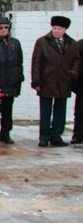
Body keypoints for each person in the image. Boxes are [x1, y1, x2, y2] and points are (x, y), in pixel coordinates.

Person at [31, 16, 80, 147]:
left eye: (59, 28)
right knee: (45, 112)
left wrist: (73, 72)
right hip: (47, 81)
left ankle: (56, 136)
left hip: (64, 81)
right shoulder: (42, 42)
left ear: (65, 29)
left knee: (60, 111)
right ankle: (44, 136)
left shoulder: (72, 43)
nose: (56, 31)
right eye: (54, 28)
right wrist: (36, 81)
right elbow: (36, 62)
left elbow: (77, 60)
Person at [73, 37, 83, 145]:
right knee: (80, 111)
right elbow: (75, 64)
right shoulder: (79, 45)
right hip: (81, 84)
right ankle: (78, 135)